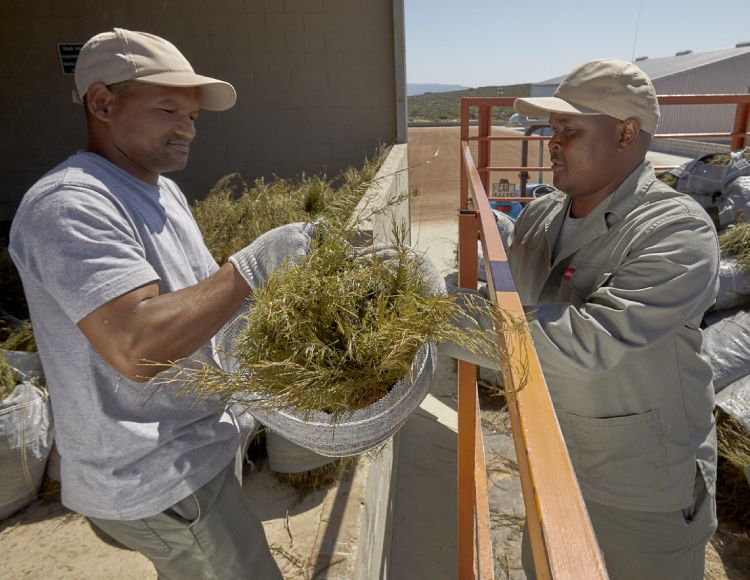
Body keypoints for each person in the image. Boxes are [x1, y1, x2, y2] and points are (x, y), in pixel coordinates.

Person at [9, 28, 314, 579]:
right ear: (102, 103)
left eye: (193, 116)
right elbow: (138, 345)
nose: (188, 129)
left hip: (194, 443)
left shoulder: (158, 187)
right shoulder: (70, 203)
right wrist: (252, 266)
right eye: (169, 109)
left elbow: (195, 299)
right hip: (154, 468)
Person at [509, 59, 719, 579]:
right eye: (551, 130)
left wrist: (445, 320)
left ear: (626, 133)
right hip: (551, 457)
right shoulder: (540, 216)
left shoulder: (677, 232)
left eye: (569, 129)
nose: (552, 142)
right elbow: (499, 296)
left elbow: (590, 341)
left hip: (639, 489)